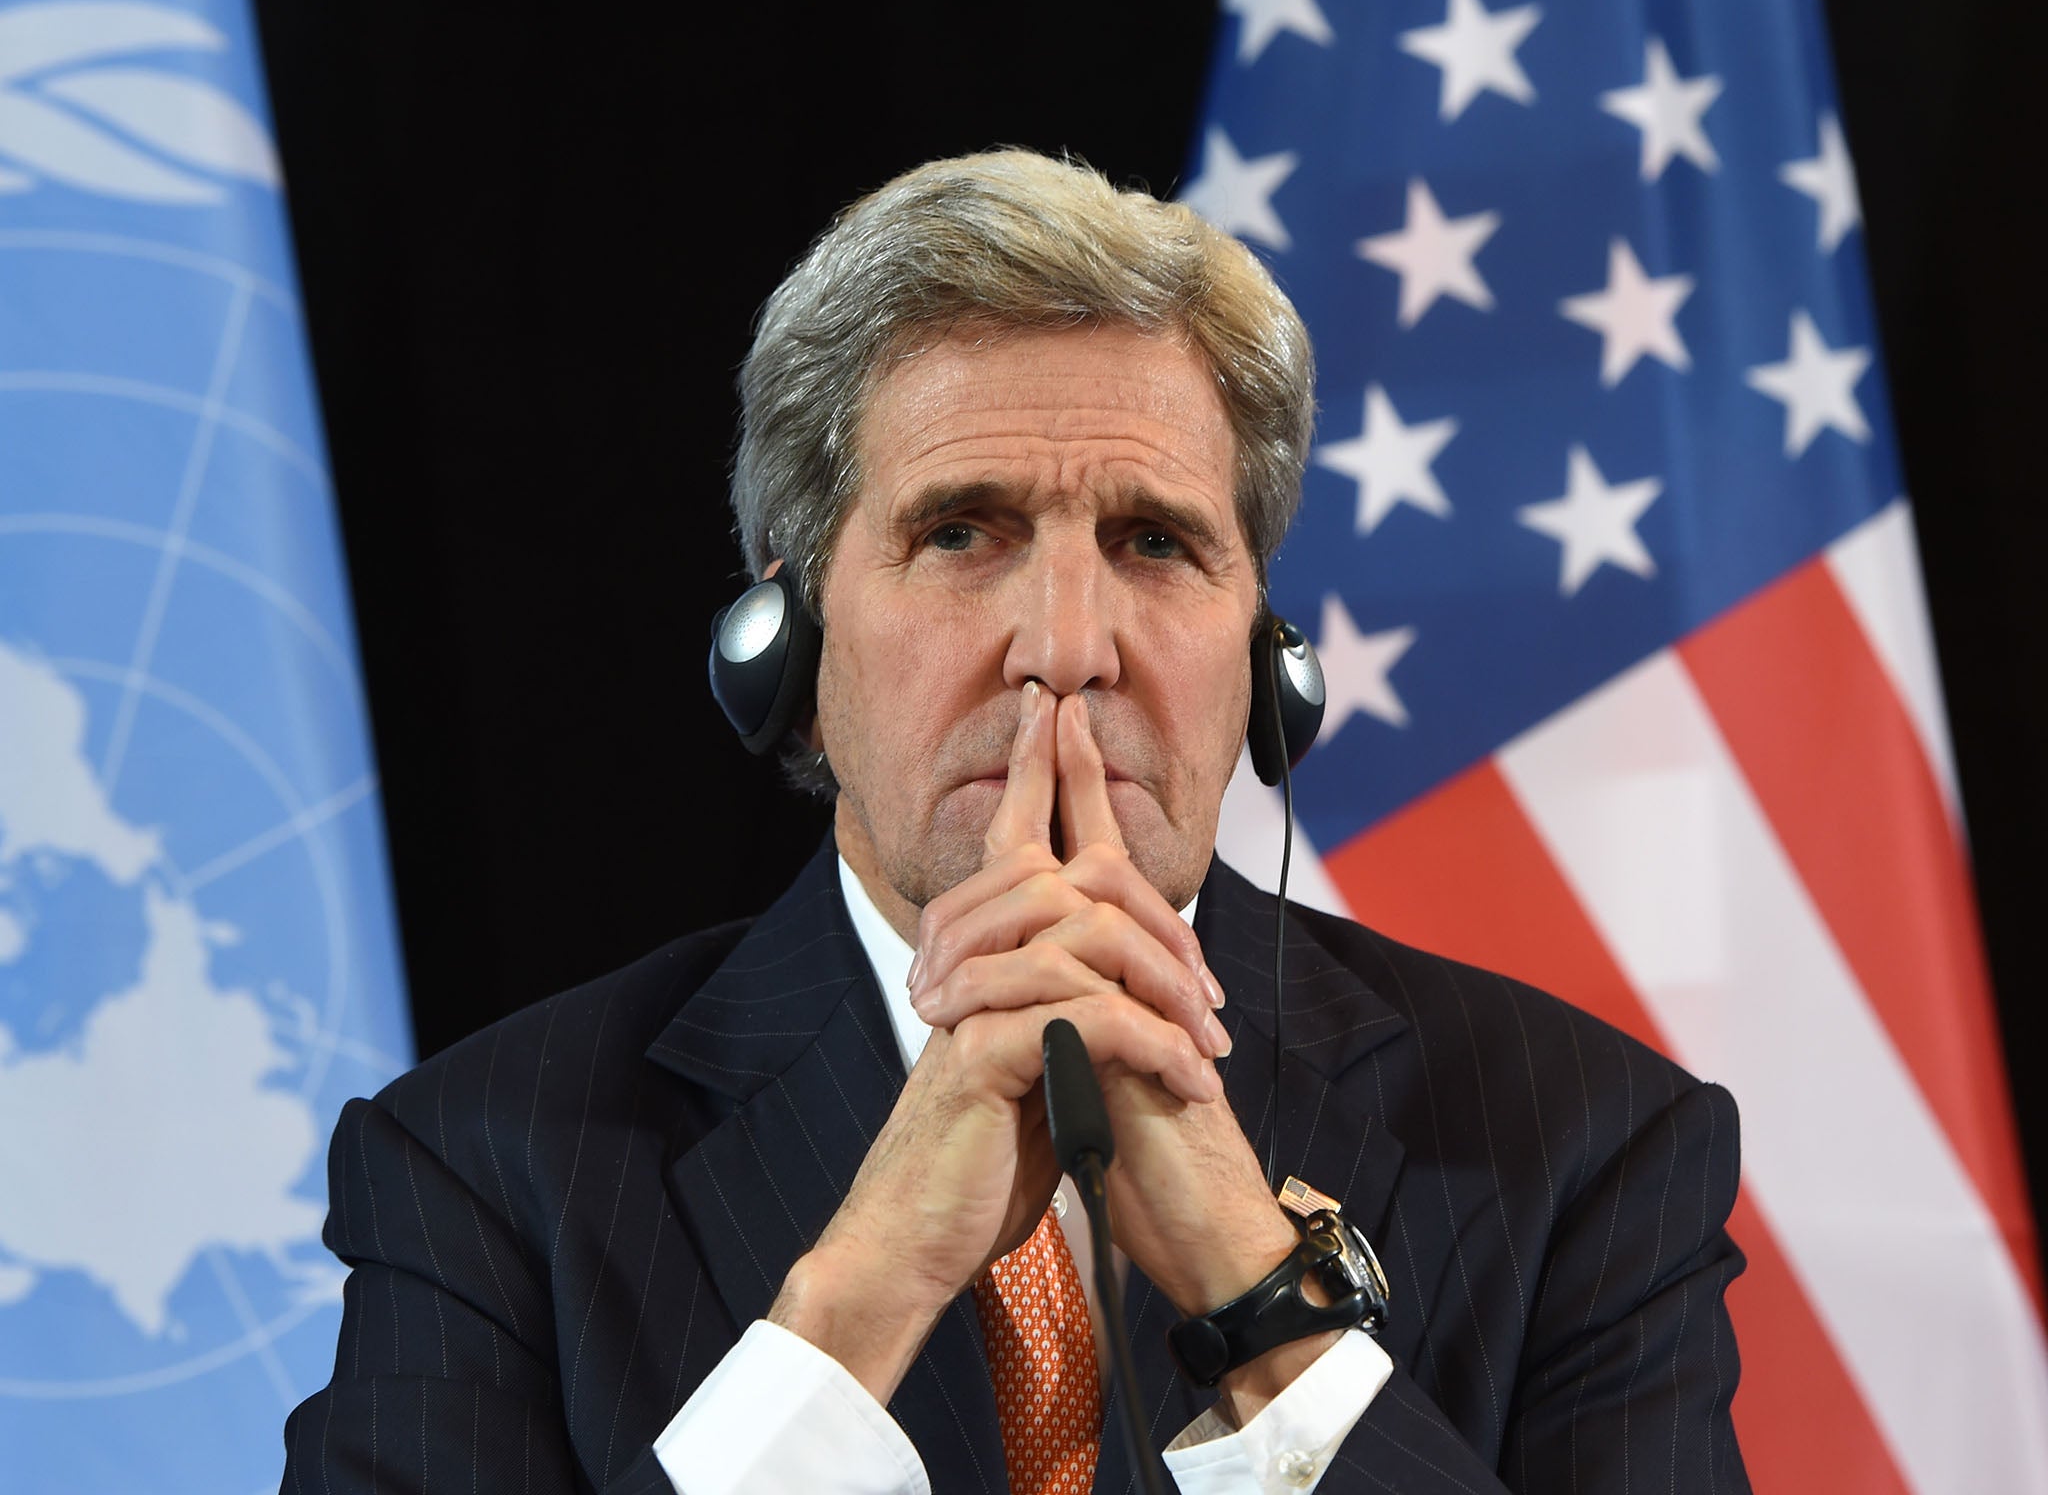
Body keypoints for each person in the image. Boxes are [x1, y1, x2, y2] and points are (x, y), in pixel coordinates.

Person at [283, 150, 1750, 1494]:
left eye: (1154, 543)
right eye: (962, 533)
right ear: (785, 653)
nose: (1066, 644)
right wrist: (851, 1306)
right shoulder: (488, 1168)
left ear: (1264, 668)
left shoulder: (1580, 1154)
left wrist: (1264, 1305)